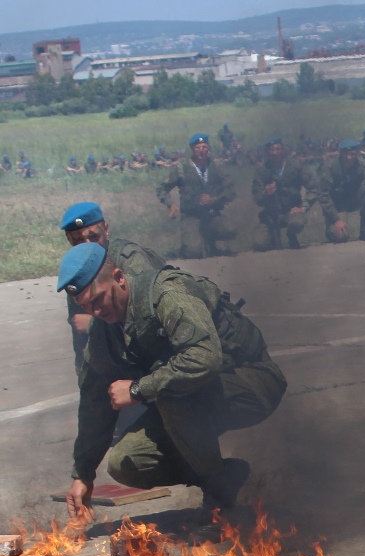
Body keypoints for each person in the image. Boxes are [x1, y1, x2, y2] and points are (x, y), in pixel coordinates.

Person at [57, 242, 287, 522]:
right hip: (189, 396)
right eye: (85, 306)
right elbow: (94, 401)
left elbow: (204, 358)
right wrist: (83, 473)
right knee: (126, 463)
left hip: (250, 381)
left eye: (98, 300)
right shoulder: (104, 332)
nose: (95, 312)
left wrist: (138, 389)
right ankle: (221, 476)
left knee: (171, 395)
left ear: (119, 278)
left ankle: (219, 506)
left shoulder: (167, 293)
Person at [59, 202, 166, 375]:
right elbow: (80, 337)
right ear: (69, 240)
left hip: (147, 361)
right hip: (108, 358)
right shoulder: (77, 268)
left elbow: (146, 314)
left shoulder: (130, 259)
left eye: (94, 236)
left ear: (106, 229)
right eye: (78, 240)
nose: (88, 245)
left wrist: (92, 324)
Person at [156, 133, 237, 258]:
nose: (201, 151)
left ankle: (210, 243)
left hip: (211, 213)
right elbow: (162, 188)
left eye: (204, 147)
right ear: (192, 149)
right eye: (197, 148)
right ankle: (185, 249)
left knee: (230, 229)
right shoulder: (182, 168)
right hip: (191, 216)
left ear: (208, 147)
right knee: (194, 252)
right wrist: (170, 204)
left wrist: (214, 200)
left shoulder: (215, 167)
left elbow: (230, 189)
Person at [251, 136, 320, 250]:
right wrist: (266, 193)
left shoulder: (296, 166)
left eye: (277, 149)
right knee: (260, 243)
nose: (275, 153)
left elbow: (314, 188)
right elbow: (257, 197)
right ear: (268, 152)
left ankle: (291, 234)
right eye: (272, 150)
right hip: (270, 215)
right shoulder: (261, 171)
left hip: (291, 211)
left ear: (283, 150)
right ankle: (272, 240)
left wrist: (303, 207)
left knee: (296, 223)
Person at [319, 139, 365, 243]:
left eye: (352, 154)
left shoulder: (363, 165)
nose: (349, 158)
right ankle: (330, 228)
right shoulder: (329, 167)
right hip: (336, 205)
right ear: (340, 154)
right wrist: (336, 219)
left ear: (358, 153)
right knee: (341, 236)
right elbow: (324, 196)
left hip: (353, 199)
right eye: (345, 154)